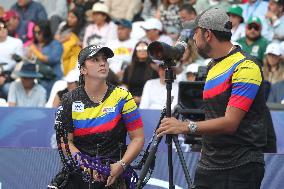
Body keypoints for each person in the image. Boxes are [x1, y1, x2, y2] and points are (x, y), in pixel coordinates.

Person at [156, 7, 271, 189]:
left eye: (196, 32)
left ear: (207, 34)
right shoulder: (212, 65)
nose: (193, 38)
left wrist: (184, 126)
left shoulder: (246, 67)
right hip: (209, 164)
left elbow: (230, 122)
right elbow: (212, 114)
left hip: (240, 166)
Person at [55, 45, 144, 188]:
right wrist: (86, 165)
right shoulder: (68, 100)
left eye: (104, 59)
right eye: (95, 60)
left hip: (114, 173)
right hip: (80, 173)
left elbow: (138, 138)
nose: (102, 63)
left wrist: (121, 165)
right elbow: (65, 142)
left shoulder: (123, 96)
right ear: (83, 69)